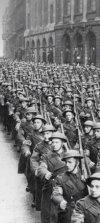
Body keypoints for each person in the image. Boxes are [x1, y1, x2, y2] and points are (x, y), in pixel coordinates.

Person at [51, 150, 87, 223]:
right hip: (69, 213)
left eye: (70, 162)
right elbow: (56, 193)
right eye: (66, 162)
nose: (67, 164)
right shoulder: (60, 178)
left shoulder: (86, 175)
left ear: (77, 163)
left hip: (85, 212)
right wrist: (61, 201)